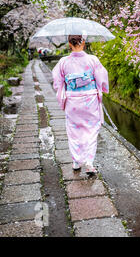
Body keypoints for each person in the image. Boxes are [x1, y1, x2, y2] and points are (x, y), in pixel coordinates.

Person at [51, 34, 109, 175]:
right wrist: (102, 89)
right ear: (83, 43)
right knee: (91, 130)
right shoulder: (92, 60)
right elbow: (102, 79)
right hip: (90, 101)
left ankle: (76, 161)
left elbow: (57, 81)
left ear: (69, 44)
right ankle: (89, 161)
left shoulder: (63, 62)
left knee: (74, 131)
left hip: (73, 101)